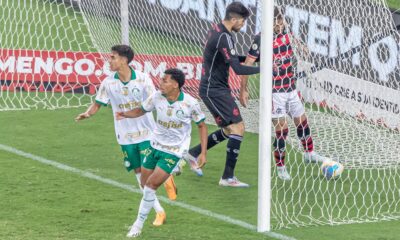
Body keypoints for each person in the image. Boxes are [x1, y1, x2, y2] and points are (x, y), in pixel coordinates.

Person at [75, 45, 176, 228]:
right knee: (139, 176)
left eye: (113, 57)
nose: (109, 61)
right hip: (125, 136)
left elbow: (155, 101)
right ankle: (159, 211)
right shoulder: (108, 82)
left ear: (124, 60)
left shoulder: (143, 79)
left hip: (146, 132)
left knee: (149, 172)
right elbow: (98, 103)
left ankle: (168, 175)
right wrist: (88, 114)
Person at [116, 68, 208, 238]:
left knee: (150, 187)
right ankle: (172, 172)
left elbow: (202, 125)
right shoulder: (157, 96)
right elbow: (141, 110)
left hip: (173, 150)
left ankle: (138, 224)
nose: (161, 83)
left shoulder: (190, 103)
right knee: (144, 184)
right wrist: (125, 114)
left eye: (165, 80)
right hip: (154, 146)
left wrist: (203, 153)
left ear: (175, 84)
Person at [240, 8, 327, 181]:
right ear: (268, 22)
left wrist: (302, 48)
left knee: (302, 121)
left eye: (281, 21)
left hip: (291, 89)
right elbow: (247, 63)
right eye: (276, 22)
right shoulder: (261, 39)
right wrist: (244, 89)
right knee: (282, 130)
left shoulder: (287, 32)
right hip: (274, 93)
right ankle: (281, 168)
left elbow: (302, 49)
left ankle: (309, 153)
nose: (279, 25)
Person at [184, 2, 260, 187]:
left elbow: (231, 57)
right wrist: (263, 69)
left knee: (229, 130)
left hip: (216, 88)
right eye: (242, 21)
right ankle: (227, 177)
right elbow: (237, 68)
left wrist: (256, 59)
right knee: (238, 128)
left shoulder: (218, 30)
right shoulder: (224, 37)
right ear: (233, 19)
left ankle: (192, 153)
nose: (243, 25)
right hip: (213, 90)